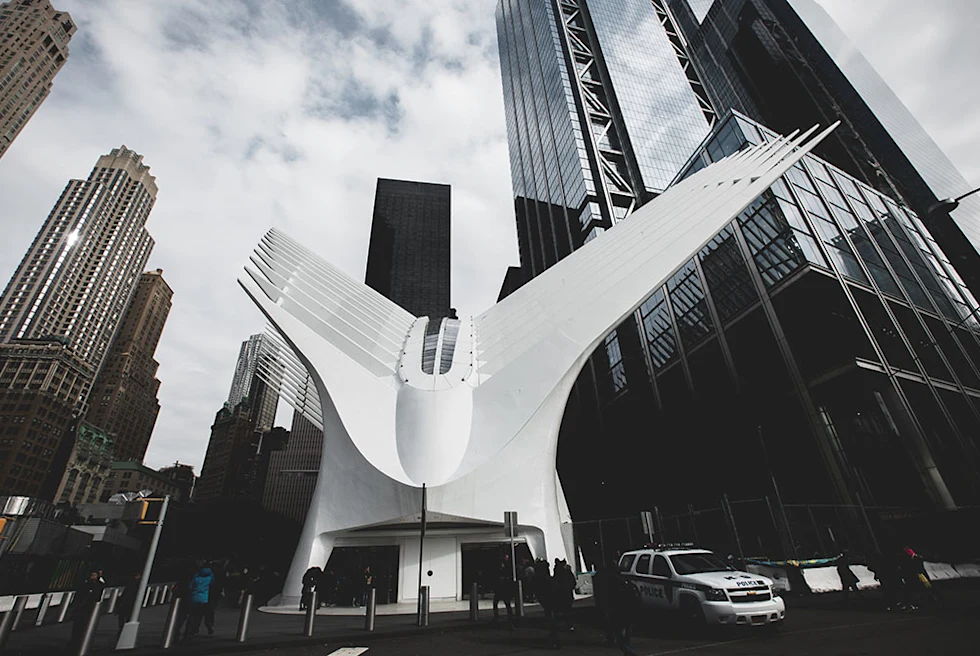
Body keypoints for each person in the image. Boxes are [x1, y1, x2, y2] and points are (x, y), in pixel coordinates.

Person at [68, 570, 105, 652]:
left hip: (87, 608)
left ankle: (77, 643)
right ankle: (75, 643)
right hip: (82, 608)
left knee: (82, 626)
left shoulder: (97, 585)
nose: (92, 577)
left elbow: (96, 596)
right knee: (77, 627)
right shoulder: (85, 584)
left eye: (94, 575)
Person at [607, 572, 640, 656]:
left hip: (620, 617)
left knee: (621, 640)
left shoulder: (617, 589)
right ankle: (628, 653)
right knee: (626, 638)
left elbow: (614, 604)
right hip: (628, 616)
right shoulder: (631, 587)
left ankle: (631, 653)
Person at [182, 564, 214, 641]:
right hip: (204, 599)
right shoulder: (209, 578)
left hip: (194, 598)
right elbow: (212, 583)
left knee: (191, 616)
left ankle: (188, 632)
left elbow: (190, 587)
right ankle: (196, 629)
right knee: (198, 616)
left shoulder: (196, 578)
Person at [492, 555, 515, 629]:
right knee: (505, 604)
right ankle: (509, 620)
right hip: (503, 588)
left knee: (502, 603)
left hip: (502, 588)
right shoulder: (507, 567)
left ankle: (499, 618)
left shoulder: (504, 568)